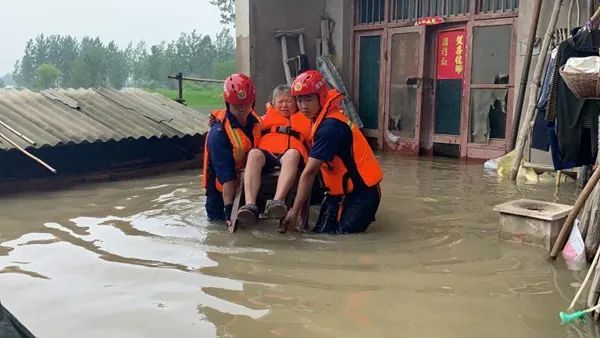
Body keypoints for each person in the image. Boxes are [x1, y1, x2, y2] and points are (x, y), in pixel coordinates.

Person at [282, 70, 383, 234]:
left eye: (309, 99)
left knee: (338, 240)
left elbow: (309, 173)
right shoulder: (320, 119)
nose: (303, 106)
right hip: (338, 193)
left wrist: (294, 212)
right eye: (299, 100)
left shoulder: (330, 127)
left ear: (321, 97)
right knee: (319, 235)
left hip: (362, 194)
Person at [236, 85, 312, 227]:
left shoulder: (306, 120)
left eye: (289, 101)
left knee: (292, 154)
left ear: (295, 103)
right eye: (280, 101)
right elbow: (238, 119)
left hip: (290, 155)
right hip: (268, 155)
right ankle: (250, 205)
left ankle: (277, 202)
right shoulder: (262, 119)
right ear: (273, 103)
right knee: (253, 153)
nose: (284, 105)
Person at [202, 73, 262, 225]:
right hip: (221, 197)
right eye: (237, 105)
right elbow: (225, 174)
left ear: (252, 103)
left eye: (246, 104)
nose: (242, 109)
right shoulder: (218, 133)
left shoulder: (256, 121)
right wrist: (229, 209)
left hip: (247, 190)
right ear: (228, 104)